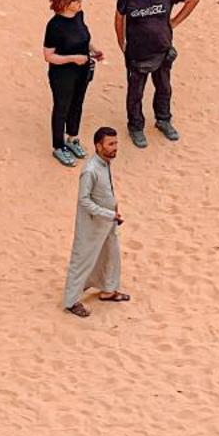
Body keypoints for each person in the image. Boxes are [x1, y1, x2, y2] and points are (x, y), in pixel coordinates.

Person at [114, 0, 198, 147]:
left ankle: (163, 120)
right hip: (137, 54)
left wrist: (175, 22)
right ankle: (135, 127)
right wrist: (122, 43)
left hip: (162, 51)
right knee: (135, 93)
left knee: (164, 88)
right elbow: (119, 19)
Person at [62, 128, 129, 318]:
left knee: (111, 254)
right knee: (82, 260)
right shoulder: (90, 170)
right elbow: (84, 200)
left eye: (116, 143)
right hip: (92, 224)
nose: (115, 148)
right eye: (110, 144)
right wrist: (108, 213)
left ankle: (108, 290)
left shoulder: (105, 163)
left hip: (107, 221)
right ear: (98, 146)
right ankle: (70, 301)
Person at [43, 0, 102, 166]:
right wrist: (73, 58)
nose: (80, 2)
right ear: (66, 2)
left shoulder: (79, 15)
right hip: (63, 75)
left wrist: (93, 50)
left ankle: (72, 138)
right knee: (62, 108)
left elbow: (85, 37)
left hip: (82, 69)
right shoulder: (54, 26)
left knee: (77, 104)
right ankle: (58, 146)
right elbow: (48, 56)